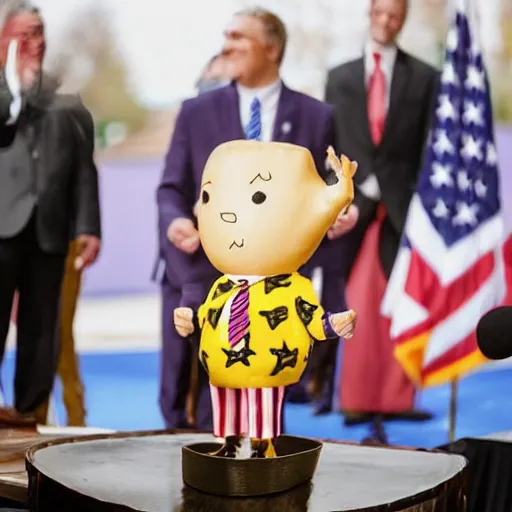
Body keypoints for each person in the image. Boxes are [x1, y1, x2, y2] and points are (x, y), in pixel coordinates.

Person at [156, 7, 356, 430]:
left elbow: (326, 190)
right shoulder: (195, 112)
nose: (226, 45)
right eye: (226, 34)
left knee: (260, 412)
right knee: (183, 406)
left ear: (272, 47)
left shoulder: (317, 116)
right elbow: (171, 188)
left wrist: (342, 211)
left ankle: (257, 483)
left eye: (238, 36)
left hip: (274, 292)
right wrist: (175, 220)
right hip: (198, 275)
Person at [325, 0, 438, 426]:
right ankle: (353, 397)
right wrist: (341, 195)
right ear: (369, 13)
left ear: (403, 20)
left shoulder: (425, 77)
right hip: (353, 210)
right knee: (353, 303)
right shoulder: (339, 78)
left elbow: (430, 146)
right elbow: (329, 144)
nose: (386, 21)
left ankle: (399, 398)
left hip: (403, 210)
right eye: (380, 12)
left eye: (395, 15)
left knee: (403, 302)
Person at [0, 3, 101, 426]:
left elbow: (84, 172)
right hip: (2, 232)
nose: (35, 43)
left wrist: (88, 227)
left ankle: (29, 417)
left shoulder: (66, 101)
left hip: (49, 234)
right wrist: (13, 88)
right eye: (24, 35)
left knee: (43, 335)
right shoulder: (6, 98)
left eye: (40, 33)